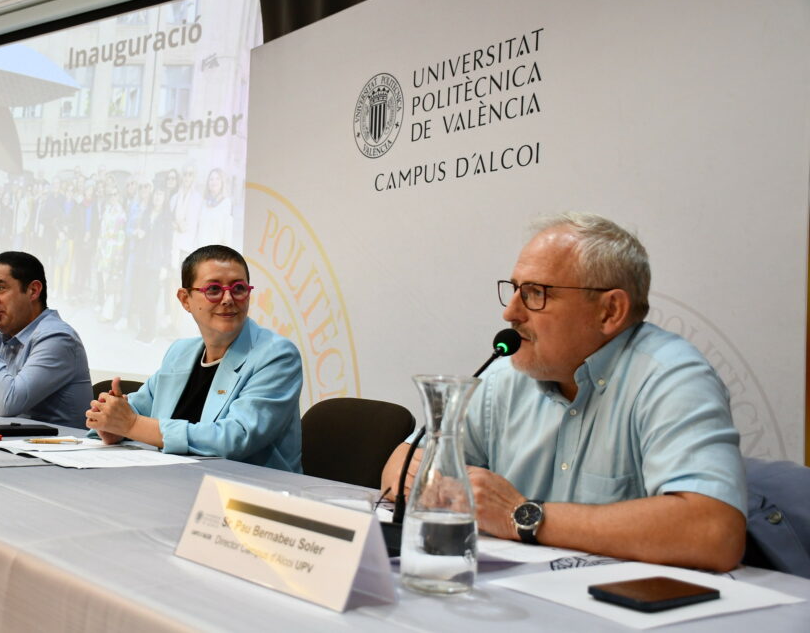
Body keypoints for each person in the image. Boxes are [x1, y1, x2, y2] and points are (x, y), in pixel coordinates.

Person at [381, 212, 747, 572]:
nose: (511, 313)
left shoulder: (671, 377)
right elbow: (402, 464)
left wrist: (519, 516)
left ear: (610, 311)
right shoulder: (504, 375)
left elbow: (713, 532)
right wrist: (426, 481)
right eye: (514, 290)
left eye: (536, 293)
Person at [86, 244, 303, 471]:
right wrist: (112, 425)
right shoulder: (180, 352)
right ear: (185, 299)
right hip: (174, 482)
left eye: (238, 288)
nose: (228, 298)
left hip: (250, 493)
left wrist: (131, 425)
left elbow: (235, 438)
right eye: (213, 289)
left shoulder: (277, 355)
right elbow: (137, 411)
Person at [0, 251, 91, 427]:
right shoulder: (1, 338)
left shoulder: (58, 338)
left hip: (54, 449)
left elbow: (7, 404)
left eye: (0, 288)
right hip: (16, 444)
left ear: (33, 291)